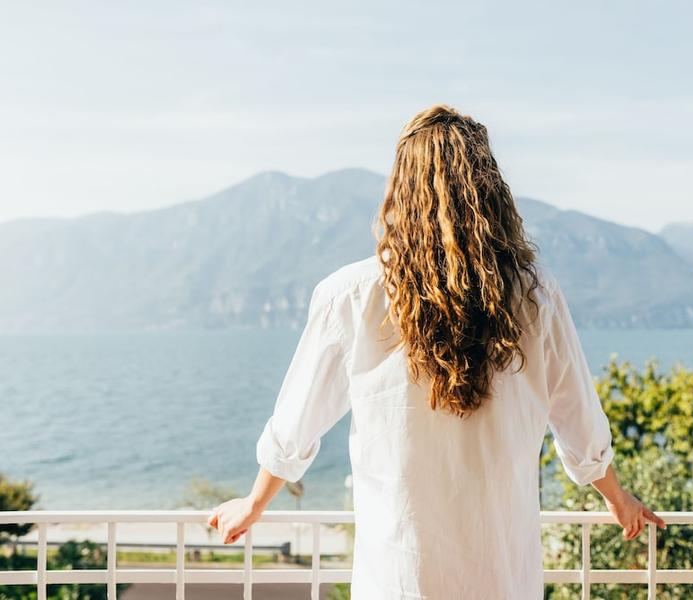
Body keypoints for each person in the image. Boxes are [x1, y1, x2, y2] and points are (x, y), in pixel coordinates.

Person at [208, 104, 665, 598]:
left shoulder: (353, 296)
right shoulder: (534, 295)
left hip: (399, 579)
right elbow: (578, 416)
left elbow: (297, 421)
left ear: (401, 189)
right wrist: (616, 497)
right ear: (490, 190)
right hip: (502, 579)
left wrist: (255, 503)